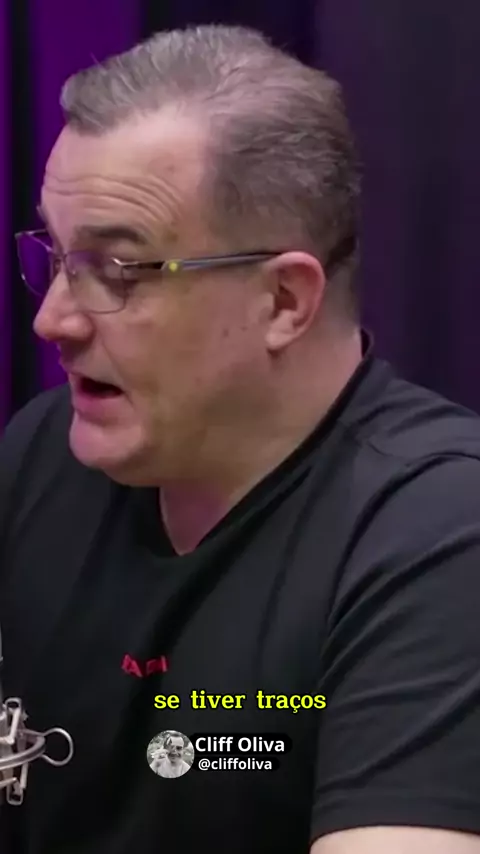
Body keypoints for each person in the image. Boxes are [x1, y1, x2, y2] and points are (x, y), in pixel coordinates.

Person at [1, 22, 480, 854]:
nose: (53, 319)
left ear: (283, 302)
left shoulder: (441, 531)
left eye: (117, 270)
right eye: (58, 256)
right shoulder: (43, 454)